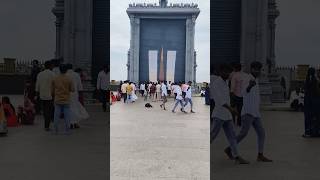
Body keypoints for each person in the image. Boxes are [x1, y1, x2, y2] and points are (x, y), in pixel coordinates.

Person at [225, 61, 273, 162]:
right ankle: (229, 149)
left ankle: (260, 155)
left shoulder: (256, 79)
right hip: (247, 112)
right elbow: (242, 93)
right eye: (255, 69)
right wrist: (249, 86)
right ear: (251, 69)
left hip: (255, 112)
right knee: (243, 133)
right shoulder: (247, 78)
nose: (257, 71)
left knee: (261, 133)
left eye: (259, 69)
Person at [211, 64, 249, 164]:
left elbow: (227, 98)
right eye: (226, 72)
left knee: (232, 136)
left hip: (227, 115)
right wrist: (231, 109)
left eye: (229, 72)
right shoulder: (216, 84)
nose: (228, 74)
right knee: (212, 135)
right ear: (220, 72)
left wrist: (232, 108)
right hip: (219, 115)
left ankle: (236, 157)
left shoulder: (226, 82)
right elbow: (219, 100)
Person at [52, 64, 75, 135]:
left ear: (59, 70)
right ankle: (67, 130)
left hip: (58, 99)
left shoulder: (55, 78)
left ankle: (55, 130)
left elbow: (52, 91)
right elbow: (72, 89)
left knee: (56, 116)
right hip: (66, 100)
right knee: (67, 116)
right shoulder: (69, 79)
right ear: (66, 70)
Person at [67, 64, 89, 129]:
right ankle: (75, 123)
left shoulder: (65, 75)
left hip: (66, 94)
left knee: (68, 108)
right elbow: (80, 86)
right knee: (75, 108)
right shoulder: (76, 75)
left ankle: (70, 123)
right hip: (75, 94)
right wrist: (80, 94)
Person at [35, 60, 55, 131]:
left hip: (42, 95)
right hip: (50, 95)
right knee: (49, 111)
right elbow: (55, 85)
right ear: (50, 66)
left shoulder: (40, 74)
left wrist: (37, 95)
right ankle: (47, 125)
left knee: (45, 110)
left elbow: (37, 85)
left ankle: (46, 124)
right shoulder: (53, 74)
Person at [303, 67, 320, 137]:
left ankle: (309, 131)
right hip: (315, 101)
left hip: (309, 101)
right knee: (315, 117)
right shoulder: (316, 80)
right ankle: (315, 131)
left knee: (309, 117)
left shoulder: (307, 81)